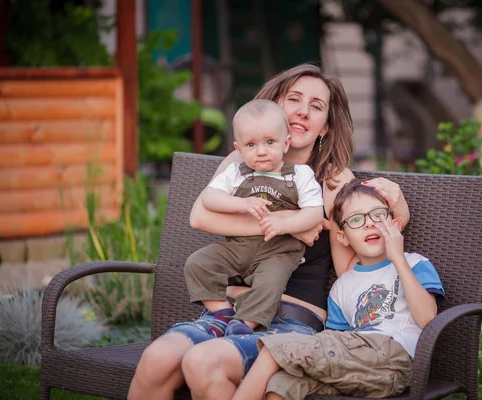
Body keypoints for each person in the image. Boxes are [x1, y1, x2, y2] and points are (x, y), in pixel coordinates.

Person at [128, 63, 411, 400]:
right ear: (276, 104)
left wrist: (399, 214)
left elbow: (350, 270)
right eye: (294, 99)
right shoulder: (240, 160)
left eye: (316, 107)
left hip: (292, 317)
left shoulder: (334, 181)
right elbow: (200, 216)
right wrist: (294, 223)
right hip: (227, 313)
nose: (303, 111)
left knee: (204, 363)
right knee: (156, 359)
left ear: (325, 127)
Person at [233, 180, 445, 400]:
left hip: (396, 355)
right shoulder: (341, 287)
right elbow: (334, 340)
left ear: (395, 224)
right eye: (356, 219)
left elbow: (428, 320)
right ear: (342, 237)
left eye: (378, 215)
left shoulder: (414, 264)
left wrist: (398, 259)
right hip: (363, 370)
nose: (369, 224)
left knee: (273, 351)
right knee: (281, 384)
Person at [184, 99, 324, 336]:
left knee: (271, 283)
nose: (261, 151)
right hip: (238, 247)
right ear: (238, 149)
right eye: (251, 144)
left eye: (270, 142)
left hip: (278, 251)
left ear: (285, 143)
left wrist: (285, 223)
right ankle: (221, 312)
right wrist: (239, 203)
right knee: (197, 263)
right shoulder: (235, 173)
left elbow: (314, 212)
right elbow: (210, 197)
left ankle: (246, 323)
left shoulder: (299, 175)